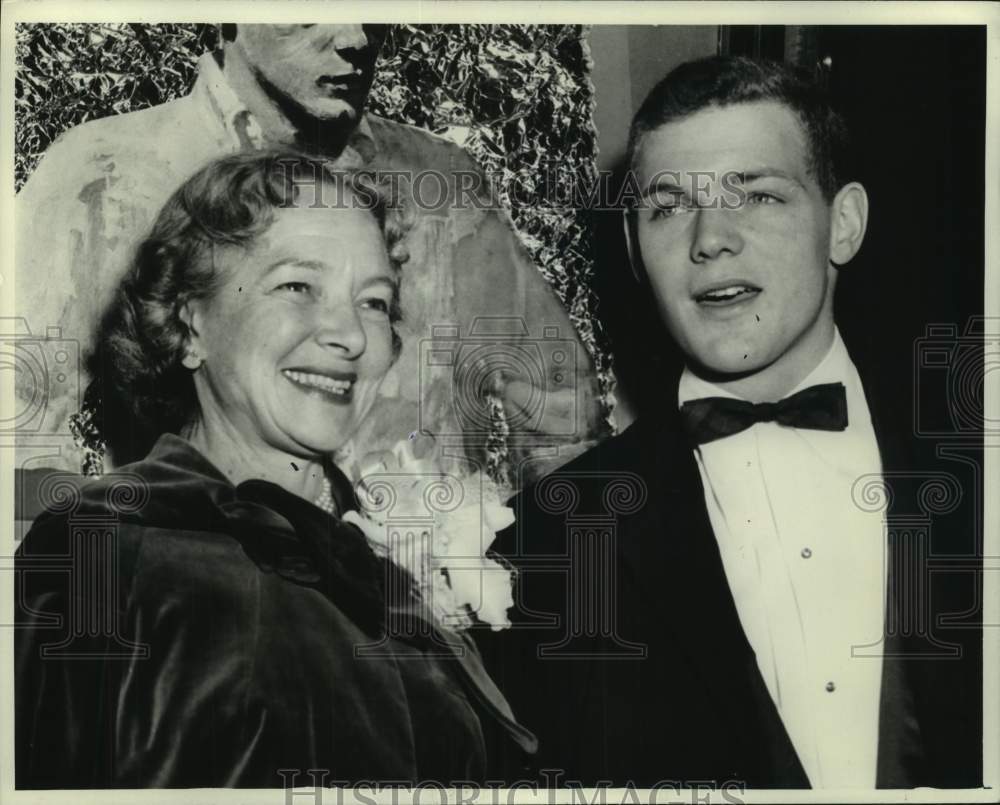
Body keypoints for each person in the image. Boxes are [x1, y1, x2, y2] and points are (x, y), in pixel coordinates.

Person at [480, 56, 981, 789]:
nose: (710, 237)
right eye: (668, 206)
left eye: (757, 196)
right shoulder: (541, 544)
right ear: (632, 249)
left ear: (843, 225)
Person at [15, 152, 536, 788]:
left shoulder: (391, 569)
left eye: (374, 302)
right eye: (297, 286)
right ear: (189, 323)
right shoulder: (100, 554)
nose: (349, 334)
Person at [15, 23, 603, 480]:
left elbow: (561, 407)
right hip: (211, 611)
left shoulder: (441, 180)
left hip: (415, 618)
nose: (354, 37)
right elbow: (17, 435)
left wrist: (558, 592)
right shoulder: (101, 176)